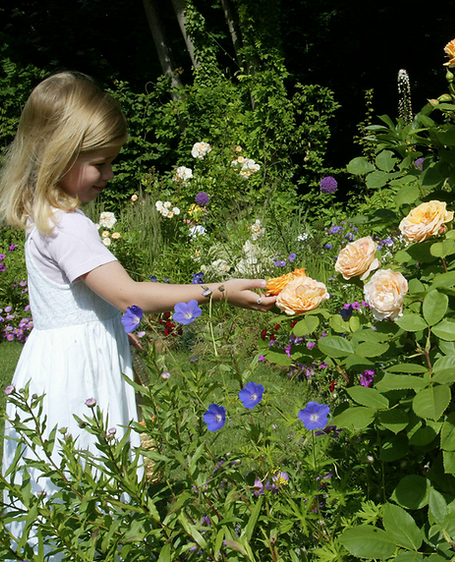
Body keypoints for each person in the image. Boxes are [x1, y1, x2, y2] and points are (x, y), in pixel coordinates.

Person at [0, 71, 276, 559]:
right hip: (77, 375)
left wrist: (117, 333)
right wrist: (220, 290)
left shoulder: (48, 215)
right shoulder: (68, 227)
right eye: (100, 163)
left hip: (57, 361)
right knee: (88, 479)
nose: (109, 175)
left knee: (62, 489)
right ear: (61, 154)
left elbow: (92, 303)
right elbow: (127, 295)